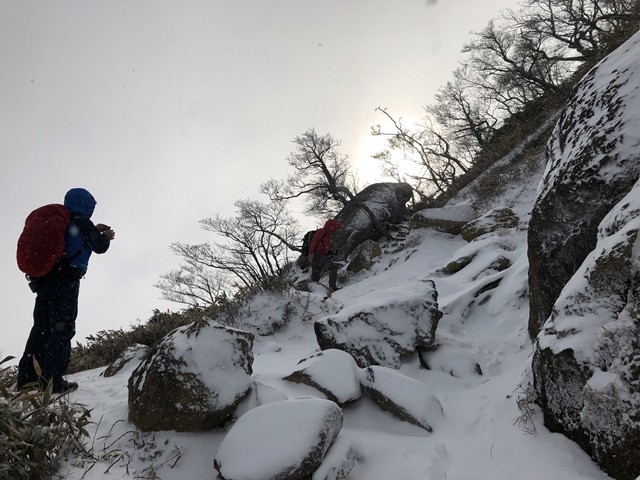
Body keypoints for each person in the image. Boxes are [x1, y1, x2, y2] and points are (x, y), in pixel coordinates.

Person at [17, 188, 115, 393]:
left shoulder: (63, 220)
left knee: (41, 328)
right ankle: (52, 380)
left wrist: (92, 229)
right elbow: (100, 246)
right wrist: (104, 236)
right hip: (66, 280)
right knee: (63, 326)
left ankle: (27, 379)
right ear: (86, 204)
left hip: (46, 280)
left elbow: (75, 239)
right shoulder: (81, 221)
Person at [308, 219, 341, 290]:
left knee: (315, 279)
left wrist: (331, 252)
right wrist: (311, 253)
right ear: (331, 227)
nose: (335, 230)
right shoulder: (322, 232)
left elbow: (324, 248)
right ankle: (332, 287)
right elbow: (314, 242)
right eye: (334, 227)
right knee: (333, 268)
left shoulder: (328, 236)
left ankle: (311, 293)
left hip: (318, 256)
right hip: (317, 255)